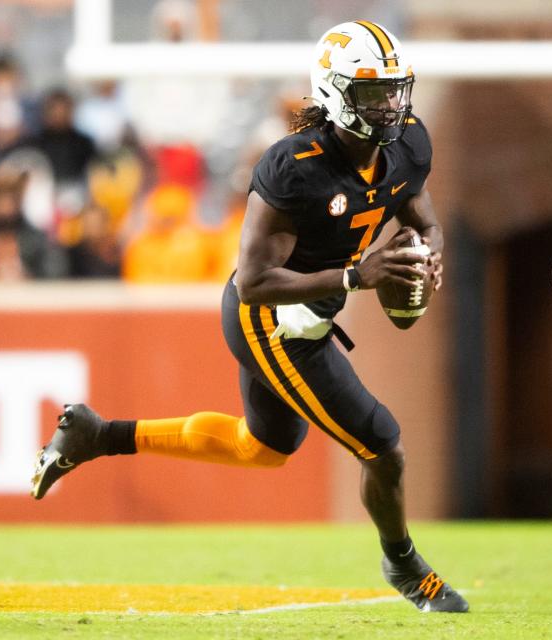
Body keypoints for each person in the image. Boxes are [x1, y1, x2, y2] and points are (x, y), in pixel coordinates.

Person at [31, 20, 468, 614]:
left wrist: (429, 254)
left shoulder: (407, 142)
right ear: (336, 94)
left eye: (395, 89)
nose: (390, 105)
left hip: (310, 314)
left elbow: (424, 216)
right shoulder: (295, 166)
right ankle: (406, 567)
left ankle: (97, 435)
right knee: (382, 445)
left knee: (262, 447)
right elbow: (255, 281)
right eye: (373, 93)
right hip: (269, 320)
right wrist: (354, 276)